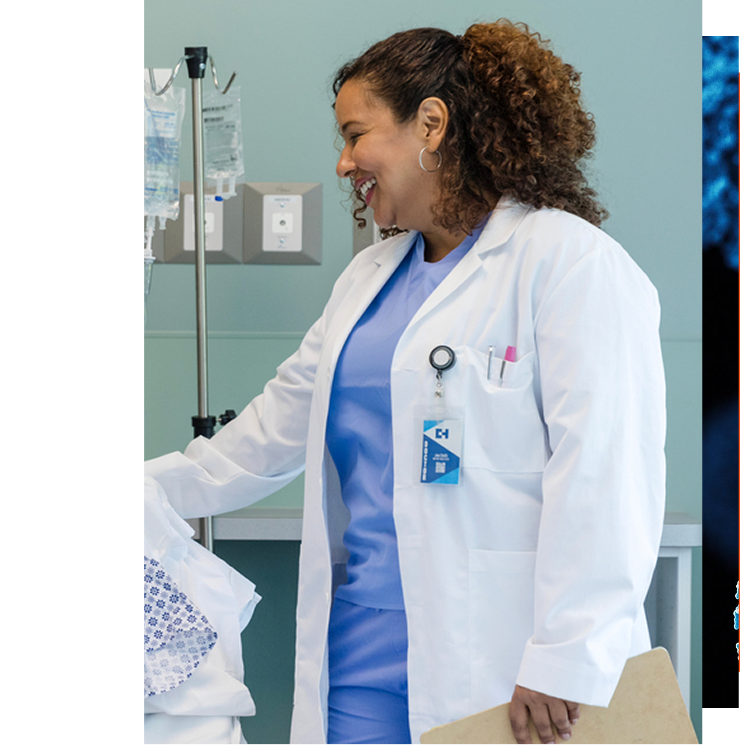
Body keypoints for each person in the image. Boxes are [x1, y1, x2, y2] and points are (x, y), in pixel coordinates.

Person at [145, 20, 666, 745]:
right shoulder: (367, 281)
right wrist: (149, 488)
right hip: (358, 656)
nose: (343, 162)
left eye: (356, 135)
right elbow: (263, 439)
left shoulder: (570, 264)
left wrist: (567, 654)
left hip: (506, 661)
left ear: (431, 123)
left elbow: (607, 477)